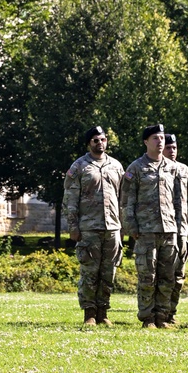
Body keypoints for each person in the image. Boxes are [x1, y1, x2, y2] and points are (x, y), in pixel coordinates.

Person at [62, 126, 124, 328]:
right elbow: (70, 198)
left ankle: (103, 311)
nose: (100, 143)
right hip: (88, 227)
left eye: (103, 140)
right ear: (89, 143)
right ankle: (89, 313)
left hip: (112, 227)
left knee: (108, 272)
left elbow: (123, 198)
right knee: (90, 272)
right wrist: (73, 225)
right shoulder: (79, 166)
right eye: (96, 140)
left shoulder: (116, 166)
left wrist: (124, 226)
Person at [120, 124, 179, 330]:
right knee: (147, 275)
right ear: (146, 142)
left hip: (169, 230)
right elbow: (127, 201)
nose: (160, 141)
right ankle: (147, 317)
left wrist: (179, 227)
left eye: (162, 137)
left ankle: (162, 317)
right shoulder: (136, 168)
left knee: (167, 277)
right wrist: (131, 226)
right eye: (155, 138)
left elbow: (179, 201)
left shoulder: (173, 167)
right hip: (145, 230)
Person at [161, 131, 188, 322]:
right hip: (163, 228)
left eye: (174, 147)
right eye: (168, 147)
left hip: (182, 230)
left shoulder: (184, 170)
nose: (172, 151)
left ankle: (171, 313)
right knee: (161, 273)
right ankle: (159, 313)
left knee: (178, 274)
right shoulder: (155, 169)